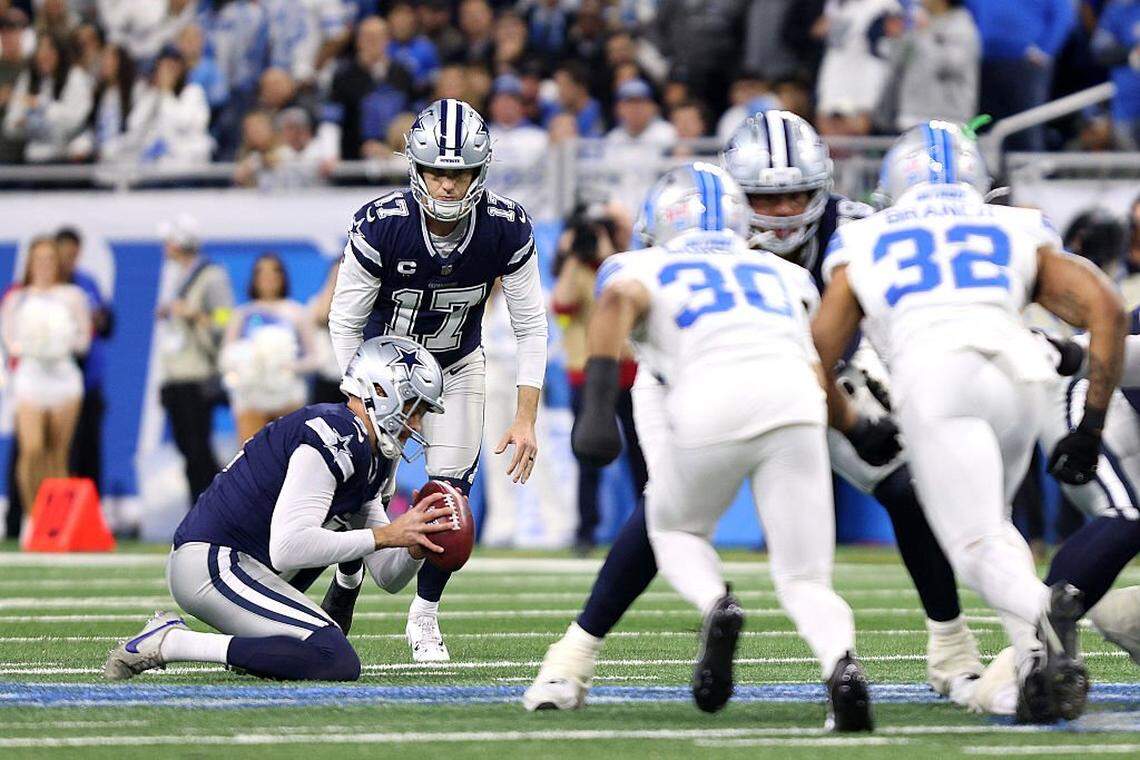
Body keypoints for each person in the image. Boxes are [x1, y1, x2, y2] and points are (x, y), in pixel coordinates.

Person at [526, 111, 983, 713]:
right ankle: (576, 655)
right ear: (734, 198)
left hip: (821, 377)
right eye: (769, 197)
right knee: (663, 510)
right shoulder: (715, 236)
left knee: (902, 487)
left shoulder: (853, 232)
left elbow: (884, 317)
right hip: (692, 377)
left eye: (798, 194)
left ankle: (952, 649)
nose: (787, 211)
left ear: (823, 187)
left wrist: (874, 386)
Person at [814, 120, 1125, 722]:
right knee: (995, 527)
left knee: (972, 543)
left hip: (937, 375)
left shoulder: (864, 237)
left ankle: (1044, 610)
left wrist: (852, 423)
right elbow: (1105, 308)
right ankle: (1035, 665)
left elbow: (813, 356)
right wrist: (1089, 425)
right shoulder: (1017, 224)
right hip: (1018, 377)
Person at [561, 163, 873, 729]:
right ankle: (841, 666)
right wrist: (855, 426)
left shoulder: (641, 263)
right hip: (797, 406)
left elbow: (614, 305)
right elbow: (814, 365)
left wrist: (598, 408)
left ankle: (716, 603)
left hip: (710, 396)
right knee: (805, 577)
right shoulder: (782, 274)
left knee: (674, 527)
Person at [327, 98, 548, 662]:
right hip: (385, 372)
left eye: (460, 173)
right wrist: (365, 395)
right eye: (437, 172)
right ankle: (348, 578)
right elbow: (345, 320)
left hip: (454, 366)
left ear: (481, 172)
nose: (448, 185)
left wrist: (525, 416)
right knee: (363, 493)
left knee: (449, 502)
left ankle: (424, 614)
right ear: (417, 169)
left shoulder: (505, 226)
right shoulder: (382, 225)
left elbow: (531, 325)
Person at [103, 336, 454, 682]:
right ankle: (171, 642)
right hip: (213, 562)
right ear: (380, 391)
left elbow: (387, 576)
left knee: (328, 655)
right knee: (332, 656)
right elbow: (289, 548)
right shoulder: (336, 434)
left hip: (247, 564)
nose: (417, 424)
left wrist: (414, 546)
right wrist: (385, 535)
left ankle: (253, 650)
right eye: (415, 408)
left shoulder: (369, 452)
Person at [968, 325, 1140, 715]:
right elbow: (1122, 355)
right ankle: (1028, 658)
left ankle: (1127, 618)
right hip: (1094, 388)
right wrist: (1068, 358)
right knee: (1125, 514)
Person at [551, 206, 646, 555]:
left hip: (627, 369)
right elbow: (560, 306)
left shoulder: (623, 266)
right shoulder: (575, 270)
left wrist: (608, 253)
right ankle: (585, 530)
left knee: (641, 451)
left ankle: (650, 524)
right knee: (587, 453)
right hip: (587, 372)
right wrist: (574, 255)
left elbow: (621, 296)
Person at [0, 236, 91, 515]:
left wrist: (59, 343)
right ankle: (33, 514)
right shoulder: (17, 298)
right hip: (31, 375)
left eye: (50, 259)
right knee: (33, 449)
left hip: (63, 377)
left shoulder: (73, 296)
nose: (44, 265)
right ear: (30, 262)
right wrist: (29, 346)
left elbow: (83, 340)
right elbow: (8, 339)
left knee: (57, 454)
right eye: (39, 259)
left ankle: (55, 520)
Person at [156, 214, 235, 505]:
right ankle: (201, 506)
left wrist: (195, 315)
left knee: (197, 447)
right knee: (188, 448)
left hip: (198, 374)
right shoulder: (180, 274)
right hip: (178, 374)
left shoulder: (211, 276)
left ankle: (209, 505)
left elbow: (226, 317)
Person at [220, 253, 318, 443]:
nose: (268, 279)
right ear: (254, 278)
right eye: (262, 273)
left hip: (288, 399)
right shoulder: (243, 314)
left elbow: (314, 358)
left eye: (274, 273)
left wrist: (290, 367)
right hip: (251, 401)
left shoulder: (296, 312)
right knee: (252, 460)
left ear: (282, 277)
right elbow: (227, 356)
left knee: (288, 456)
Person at [55, 227, 113, 491]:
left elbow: (107, 323)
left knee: (91, 448)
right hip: (56, 380)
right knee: (62, 449)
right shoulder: (49, 289)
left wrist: (101, 318)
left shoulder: (86, 282)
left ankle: (91, 510)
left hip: (89, 378)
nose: (70, 260)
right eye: (65, 254)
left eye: (74, 254)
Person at [2, 31, 93, 162]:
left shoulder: (75, 76)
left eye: (49, 51)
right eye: (40, 50)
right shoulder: (28, 78)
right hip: (33, 158)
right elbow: (10, 124)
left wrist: (42, 106)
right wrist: (25, 124)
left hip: (65, 159)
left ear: (59, 53)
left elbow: (76, 119)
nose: (44, 55)